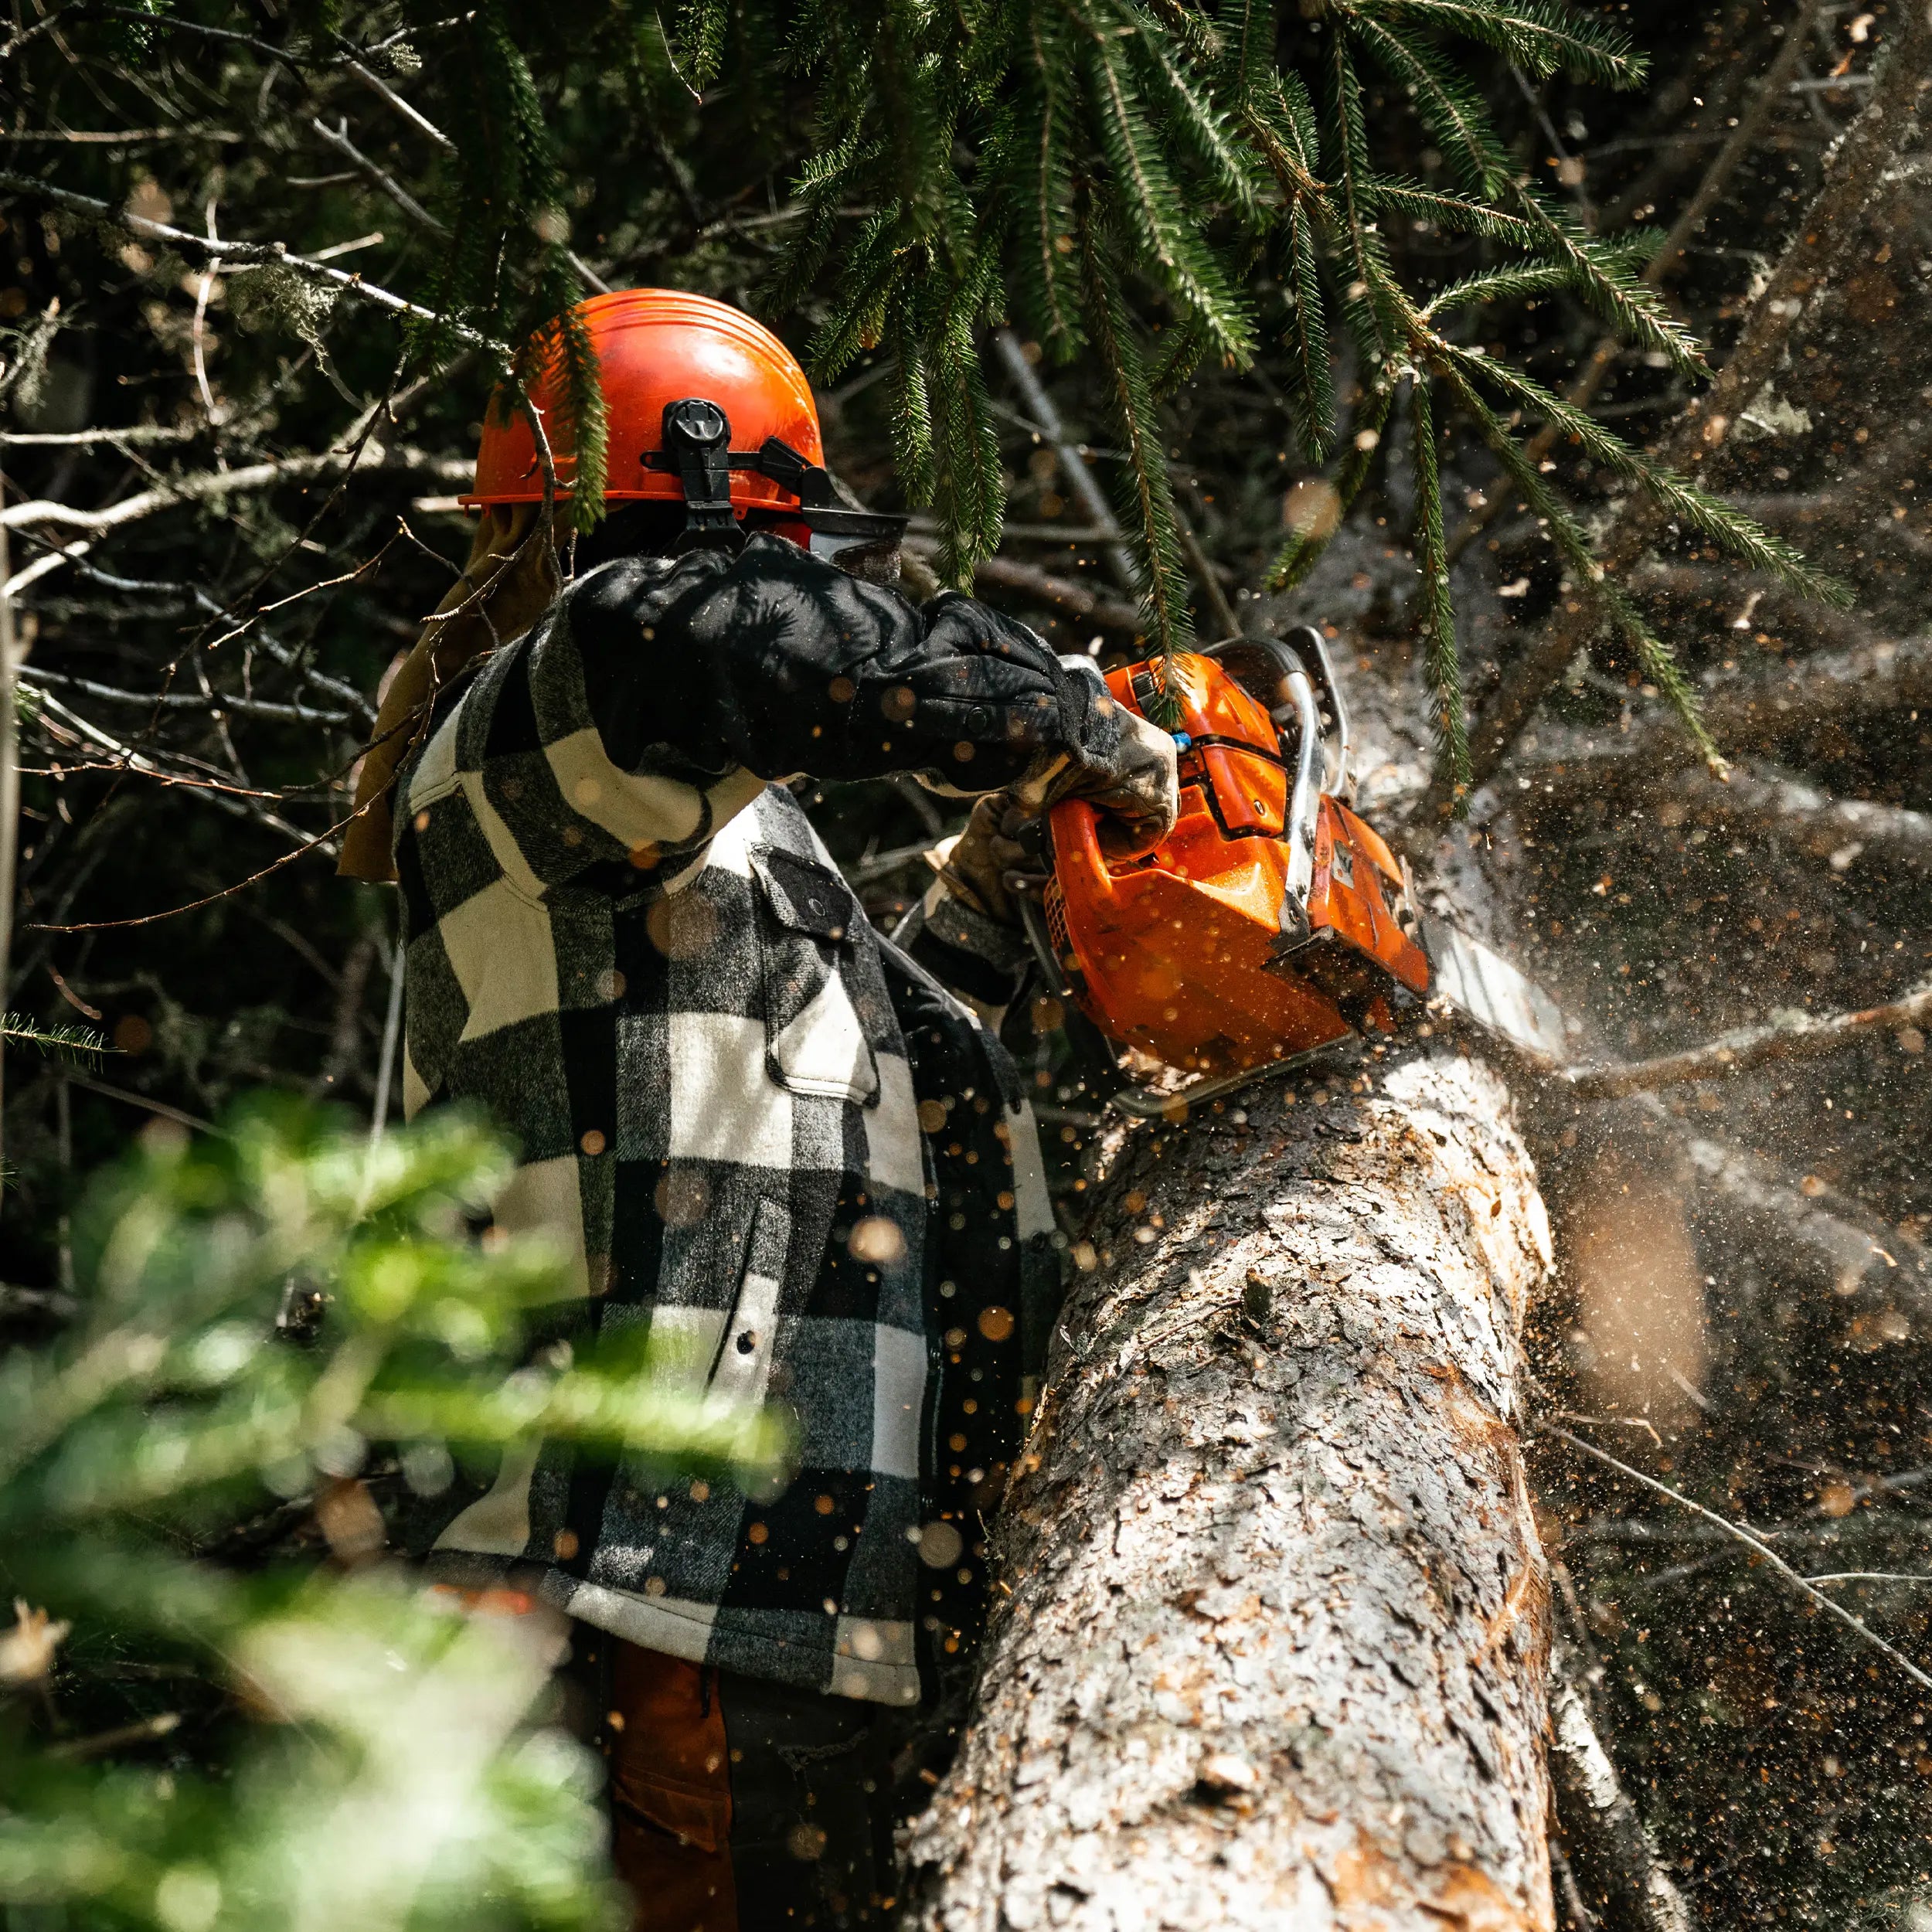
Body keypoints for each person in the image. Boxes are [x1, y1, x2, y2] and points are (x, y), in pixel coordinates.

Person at [338, 288, 1178, 1930]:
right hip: (654, 1588)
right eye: (786, 548)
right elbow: (721, 632)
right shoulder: (556, 703)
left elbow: (824, 1097)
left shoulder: (682, 820)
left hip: (765, 1599)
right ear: (706, 505)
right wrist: (1081, 721)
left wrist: (993, 899)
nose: (812, 586)